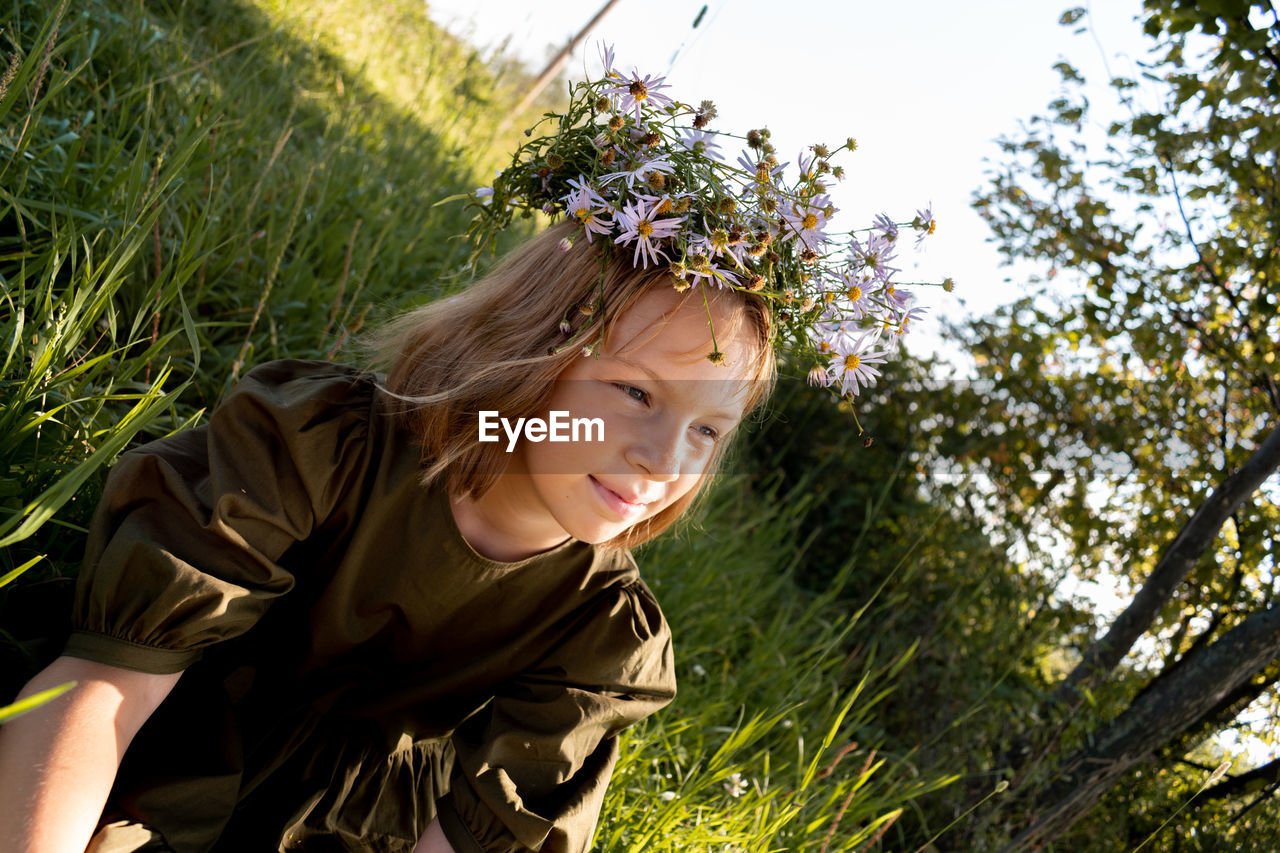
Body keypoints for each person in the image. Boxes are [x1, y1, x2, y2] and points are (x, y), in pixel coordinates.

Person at [0, 46, 935, 853]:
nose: (661, 456)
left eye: (706, 431)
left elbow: (480, 836)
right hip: (152, 736)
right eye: (637, 392)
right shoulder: (330, 448)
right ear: (532, 356)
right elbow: (109, 681)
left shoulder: (602, 634)